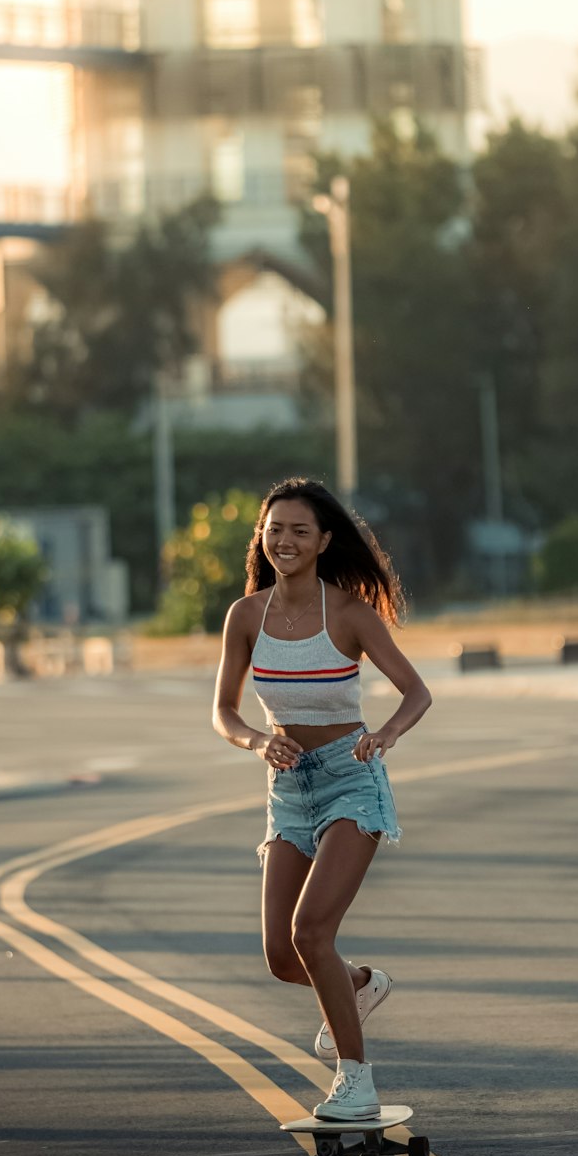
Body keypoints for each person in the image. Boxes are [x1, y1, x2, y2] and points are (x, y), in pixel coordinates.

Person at [212, 477, 432, 1121]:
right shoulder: (245, 616)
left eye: (299, 530)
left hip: (350, 779)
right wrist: (256, 741)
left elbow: (415, 692)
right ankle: (360, 984)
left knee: (313, 931)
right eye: (274, 528)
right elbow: (223, 711)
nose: (284, 540)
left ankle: (355, 1077)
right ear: (262, 537)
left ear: (323, 541)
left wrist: (386, 734)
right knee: (282, 955)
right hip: (288, 786)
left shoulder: (349, 614)